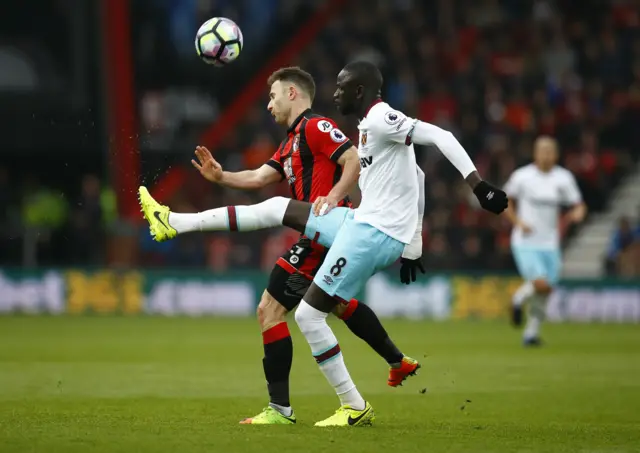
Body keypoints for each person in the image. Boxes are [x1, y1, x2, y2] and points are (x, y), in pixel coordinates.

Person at [138, 60, 508, 426]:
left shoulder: (367, 119)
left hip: (368, 232)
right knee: (279, 214)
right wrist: (413, 245)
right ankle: (172, 222)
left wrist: (478, 186)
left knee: (306, 315)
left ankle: (352, 405)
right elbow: (418, 175)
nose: (335, 92)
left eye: (342, 85)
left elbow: (438, 137)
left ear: (358, 90)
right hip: (358, 224)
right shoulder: (357, 131)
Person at [504, 136, 587, 346]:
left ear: (556, 155)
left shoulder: (563, 178)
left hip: (550, 243)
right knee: (540, 283)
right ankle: (517, 300)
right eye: (543, 150)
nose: (546, 155)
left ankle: (530, 334)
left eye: (550, 151)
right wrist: (517, 222)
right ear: (535, 153)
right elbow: (505, 201)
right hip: (526, 241)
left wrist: (578, 213)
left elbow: (578, 204)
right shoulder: (522, 176)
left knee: (546, 290)